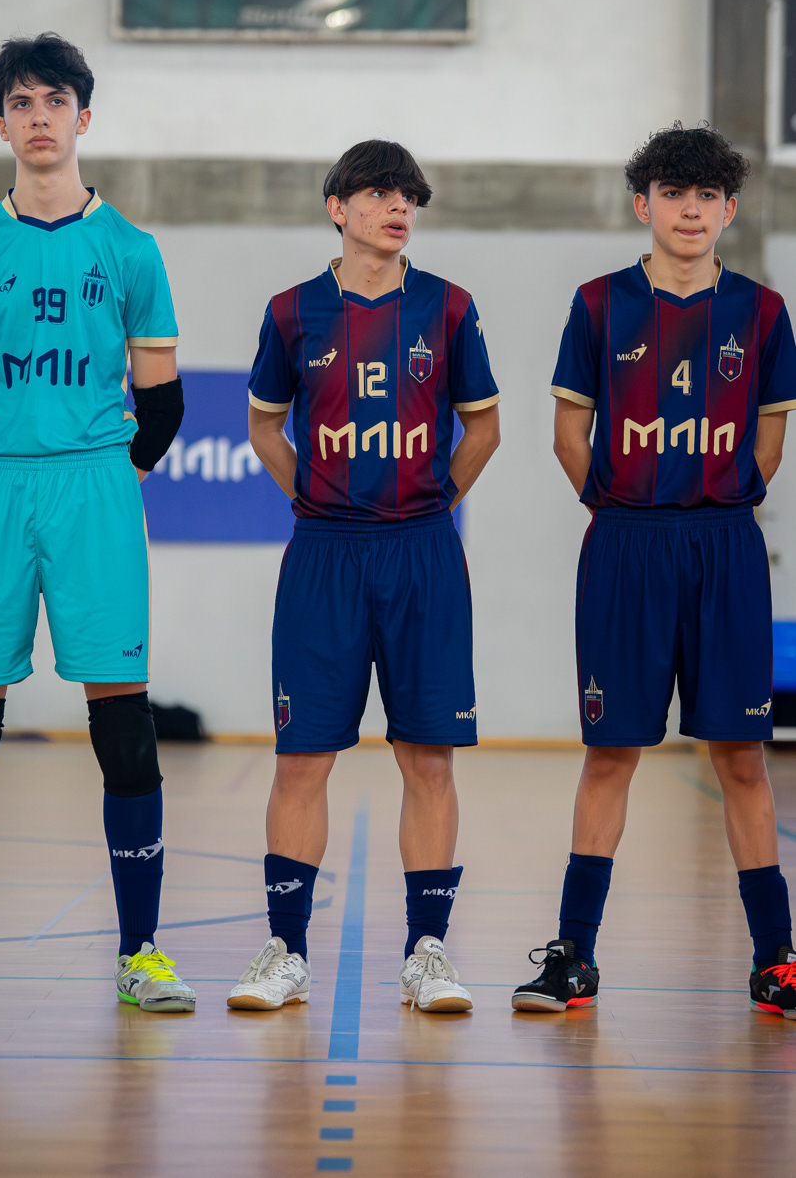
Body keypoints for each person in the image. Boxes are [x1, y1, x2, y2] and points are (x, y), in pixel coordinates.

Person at [0, 33, 195, 1014]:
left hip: (95, 486)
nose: (37, 117)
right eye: (20, 103)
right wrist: (4, 460)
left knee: (125, 727)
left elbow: (163, 405)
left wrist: (104, 475)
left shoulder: (132, 250)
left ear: (83, 117)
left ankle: (142, 954)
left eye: (53, 100)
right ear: (1, 124)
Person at [512, 123, 796, 1018]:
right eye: (674, 193)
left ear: (730, 209)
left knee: (742, 757)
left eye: (707, 196)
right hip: (626, 542)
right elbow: (569, 434)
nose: (691, 210)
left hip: (724, 544)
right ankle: (575, 956)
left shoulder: (762, 312)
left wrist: (720, 500)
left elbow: (769, 441)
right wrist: (620, 509)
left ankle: (777, 958)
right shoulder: (599, 304)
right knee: (611, 753)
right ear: (645, 204)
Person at [228, 139, 501, 1013]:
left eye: (408, 196)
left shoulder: (449, 308)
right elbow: (264, 425)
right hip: (325, 554)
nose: (398, 207)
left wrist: (433, 501)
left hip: (422, 551)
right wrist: (313, 494)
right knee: (301, 759)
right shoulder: (291, 312)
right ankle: (286, 951)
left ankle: (428, 953)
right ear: (337, 208)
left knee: (429, 758)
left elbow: (484, 427)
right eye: (380, 193)